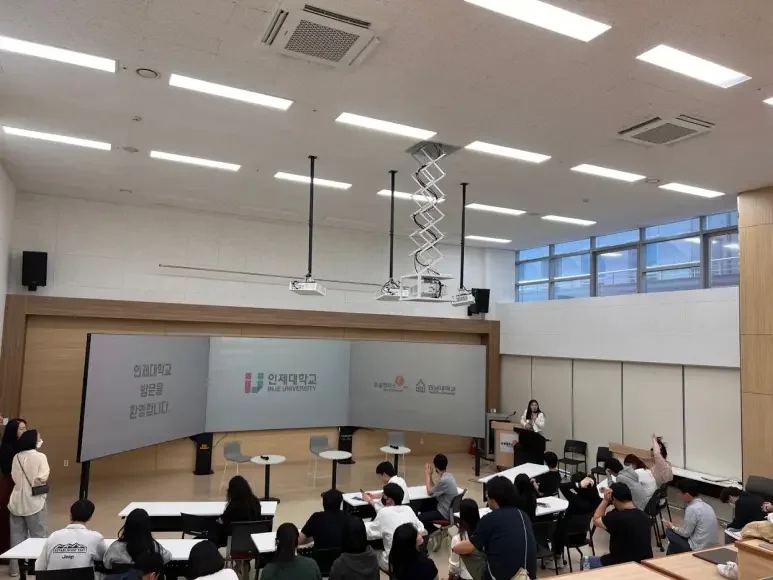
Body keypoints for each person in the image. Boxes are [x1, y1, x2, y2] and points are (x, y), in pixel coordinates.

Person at [452, 476, 537, 580]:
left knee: (467, 549)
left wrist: (454, 547)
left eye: (487, 496)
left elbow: (467, 547)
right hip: (528, 575)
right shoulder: (523, 515)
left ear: (493, 499)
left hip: (501, 577)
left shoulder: (489, 519)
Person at [581, 482, 653, 569]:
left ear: (614, 499)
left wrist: (605, 500)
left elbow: (596, 519)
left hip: (620, 565)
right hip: (644, 565)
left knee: (584, 561)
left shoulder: (616, 518)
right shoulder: (644, 516)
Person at [8, 429, 49, 575]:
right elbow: (42, 478)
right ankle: (37, 568)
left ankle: (14, 570)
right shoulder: (40, 457)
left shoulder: (16, 457)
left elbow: (13, 476)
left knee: (16, 537)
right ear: (33, 440)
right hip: (34, 501)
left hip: (16, 501)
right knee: (39, 536)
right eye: (39, 437)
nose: (41, 439)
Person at [365, 483, 425, 571]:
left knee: (370, 552)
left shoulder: (383, 512)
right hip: (411, 560)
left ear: (390, 500)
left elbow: (369, 534)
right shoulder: (408, 509)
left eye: (384, 498)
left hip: (393, 563)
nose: (382, 500)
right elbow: (421, 528)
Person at [36, 499, 105, 571]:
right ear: (90, 517)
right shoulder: (96, 538)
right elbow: (106, 561)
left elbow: (39, 567)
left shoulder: (53, 536)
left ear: (70, 515)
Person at [552, 473, 601, 566]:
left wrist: (578, 484)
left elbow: (561, 486)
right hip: (582, 535)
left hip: (567, 537)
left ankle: (557, 557)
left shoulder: (575, 499)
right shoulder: (596, 500)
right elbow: (594, 491)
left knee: (556, 525)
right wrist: (590, 482)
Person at [103, 508, 172, 569]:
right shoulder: (153, 547)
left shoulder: (115, 547)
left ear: (127, 526)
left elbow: (107, 564)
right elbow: (167, 557)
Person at [664, 480, 719, 555]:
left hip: (698, 548)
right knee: (672, 545)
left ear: (686, 494)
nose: (678, 495)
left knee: (669, 531)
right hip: (712, 546)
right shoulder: (707, 506)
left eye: (680, 493)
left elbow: (686, 533)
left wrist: (672, 527)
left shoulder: (691, 509)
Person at [0, 418, 25, 574]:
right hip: (10, 485)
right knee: (7, 521)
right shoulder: (10, 448)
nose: (23, 431)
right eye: (21, 429)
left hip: (12, 484)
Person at [216, 475, 261, 547]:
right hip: (252, 540)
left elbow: (222, 520)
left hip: (235, 537)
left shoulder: (233, 506)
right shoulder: (255, 501)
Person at [419, 454, 458, 534]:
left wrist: (427, 474)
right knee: (424, 505)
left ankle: (434, 532)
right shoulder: (449, 476)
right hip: (447, 508)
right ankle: (435, 532)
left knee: (419, 517)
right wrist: (430, 476)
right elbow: (434, 489)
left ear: (435, 467)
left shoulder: (444, 480)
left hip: (444, 513)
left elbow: (429, 492)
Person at [448, 498, 479, 580]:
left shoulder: (458, 539)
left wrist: (450, 577)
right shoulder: (484, 533)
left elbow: (454, 567)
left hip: (466, 577)